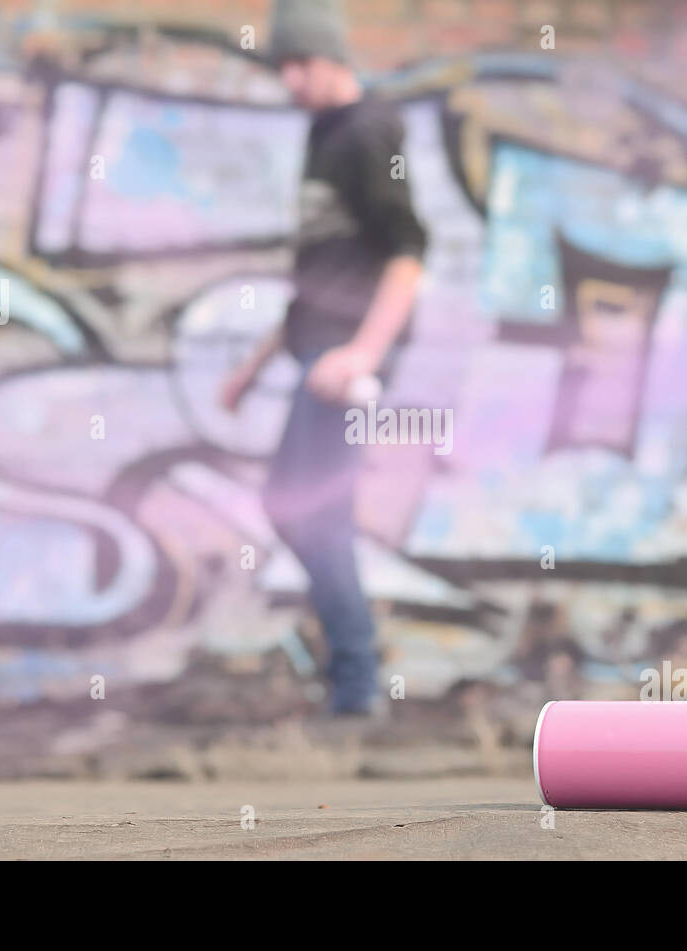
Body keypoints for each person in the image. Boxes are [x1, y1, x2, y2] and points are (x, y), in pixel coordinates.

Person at [221, 0, 427, 716]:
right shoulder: (322, 132)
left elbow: (407, 255)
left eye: (294, 67)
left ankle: (358, 686)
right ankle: (354, 673)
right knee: (290, 507)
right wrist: (252, 367)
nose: (288, 83)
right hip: (314, 353)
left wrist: (362, 353)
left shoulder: (372, 131)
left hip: (344, 365)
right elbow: (318, 274)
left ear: (325, 57)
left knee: (315, 515)